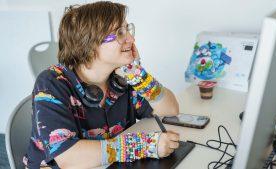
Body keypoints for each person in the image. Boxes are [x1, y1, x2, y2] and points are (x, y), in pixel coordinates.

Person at [24, 1, 180, 168]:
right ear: (89, 44)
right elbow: (69, 158)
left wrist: (137, 74)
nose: (131, 39)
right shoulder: (51, 83)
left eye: (127, 30)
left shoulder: (122, 77)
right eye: (120, 33)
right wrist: (144, 145)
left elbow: (170, 109)